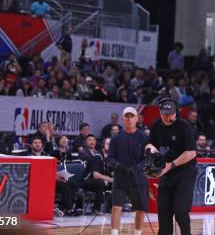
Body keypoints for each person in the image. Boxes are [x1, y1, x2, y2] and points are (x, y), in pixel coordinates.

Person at [146, 99, 197, 235]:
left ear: (176, 113)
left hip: (185, 172)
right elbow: (150, 144)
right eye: (164, 114)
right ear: (160, 113)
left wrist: (171, 165)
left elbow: (191, 152)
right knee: (163, 211)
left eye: (170, 114)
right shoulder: (156, 125)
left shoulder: (184, 126)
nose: (167, 117)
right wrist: (152, 152)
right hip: (166, 172)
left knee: (180, 210)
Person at [108, 107, 149, 235]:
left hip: (138, 178)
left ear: (137, 118)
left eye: (132, 116)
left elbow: (148, 158)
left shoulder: (143, 137)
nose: (129, 119)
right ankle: (114, 233)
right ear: (123, 119)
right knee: (116, 207)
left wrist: (139, 167)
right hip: (120, 177)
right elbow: (110, 158)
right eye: (127, 116)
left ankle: (138, 233)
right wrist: (119, 166)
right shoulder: (116, 137)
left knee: (140, 209)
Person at [80, 135, 109, 215]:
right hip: (86, 178)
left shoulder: (99, 153)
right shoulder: (83, 152)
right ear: (86, 142)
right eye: (89, 140)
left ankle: (112, 206)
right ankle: (97, 208)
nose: (92, 142)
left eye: (93, 140)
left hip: (96, 178)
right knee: (100, 182)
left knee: (103, 182)